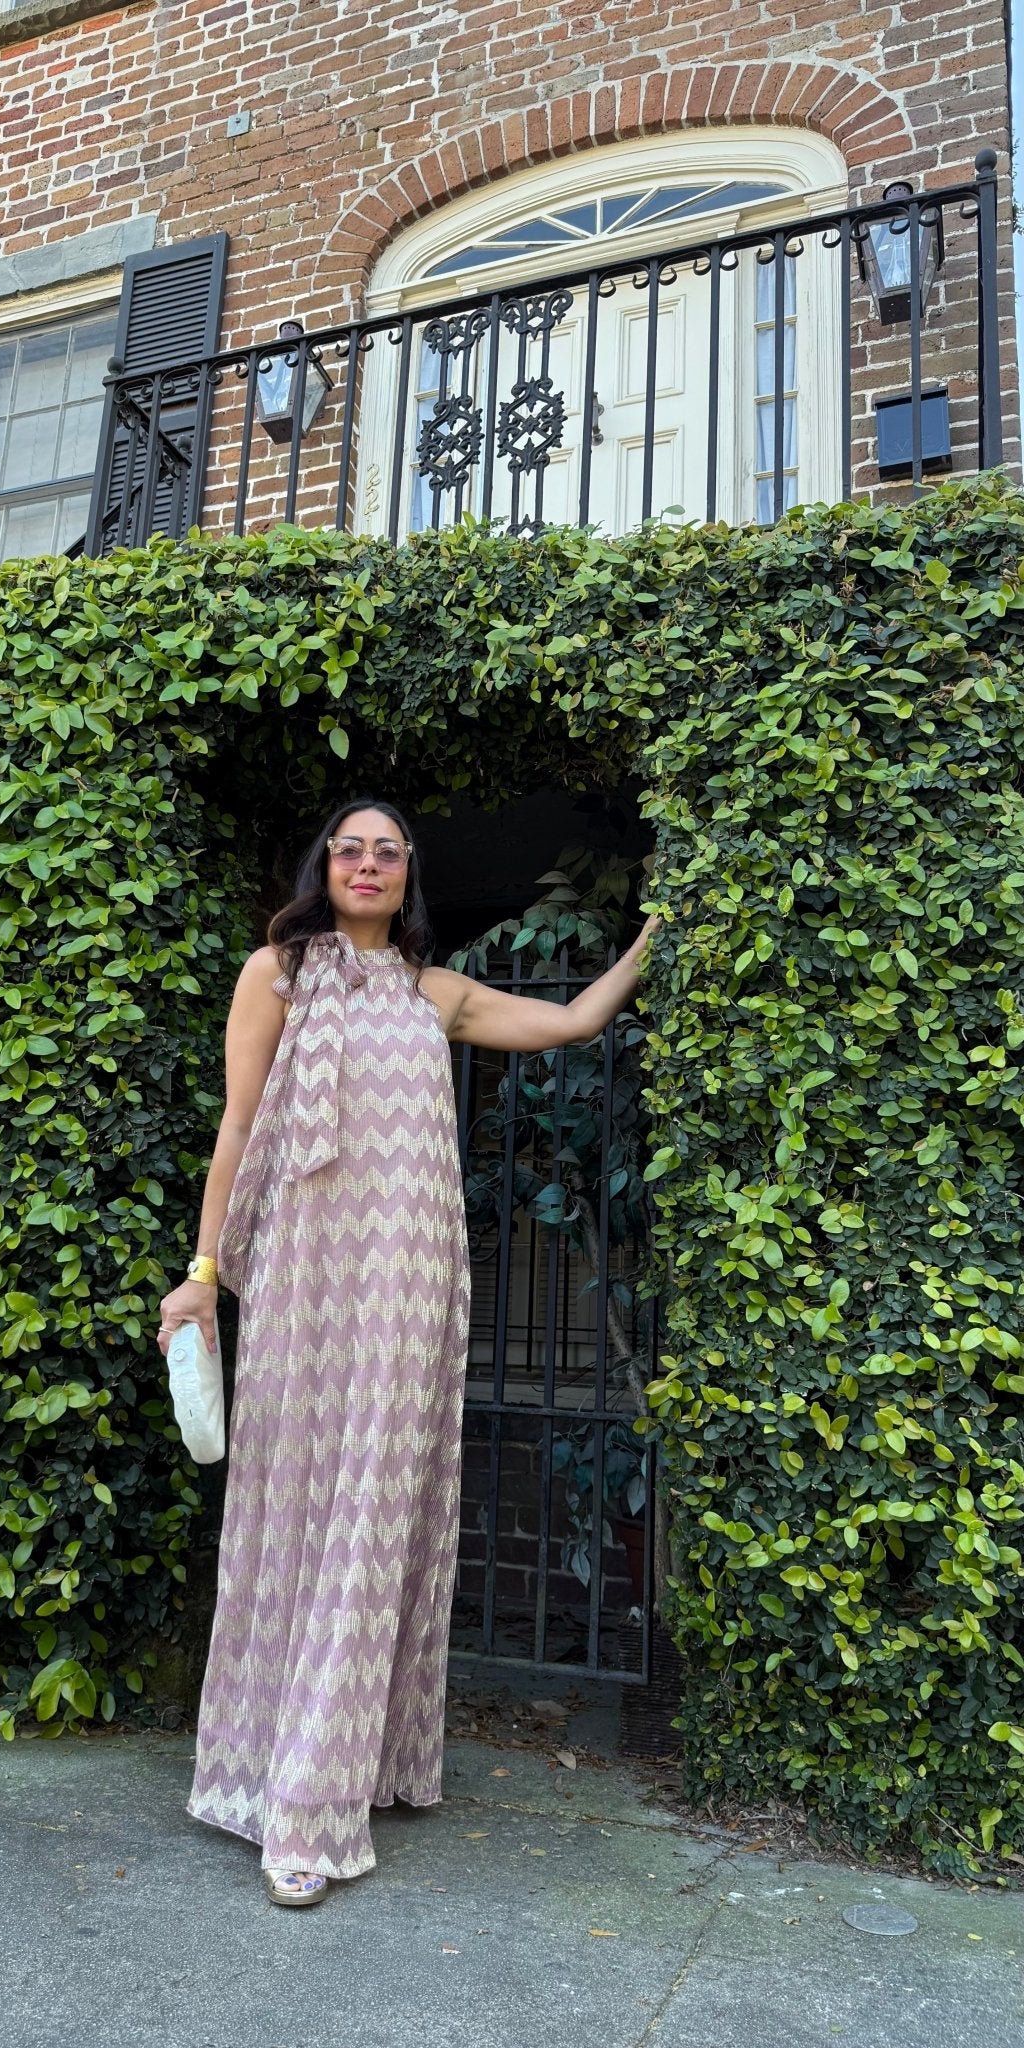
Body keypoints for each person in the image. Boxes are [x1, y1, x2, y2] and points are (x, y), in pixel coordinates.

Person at [156, 799, 660, 1908]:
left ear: (408, 875)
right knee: (295, 1508)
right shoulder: (275, 974)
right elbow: (239, 1126)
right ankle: (280, 1780)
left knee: (376, 1515)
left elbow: (571, 1022)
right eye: (352, 847)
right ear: (325, 866)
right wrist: (202, 1270)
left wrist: (651, 939)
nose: (370, 863)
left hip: (411, 1290)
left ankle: (328, 1784)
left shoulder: (437, 993)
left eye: (389, 851)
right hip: (301, 1282)